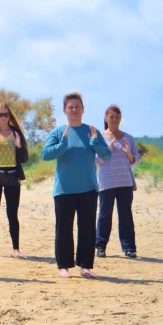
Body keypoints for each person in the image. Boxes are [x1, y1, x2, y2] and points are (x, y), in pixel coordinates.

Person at [42, 92, 111, 279]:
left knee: (87, 228)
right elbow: (45, 154)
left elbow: (106, 155)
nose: (74, 110)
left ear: (83, 109)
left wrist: (95, 143)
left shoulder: (92, 130)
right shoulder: (58, 132)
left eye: (77, 106)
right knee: (63, 228)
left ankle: (85, 266)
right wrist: (61, 145)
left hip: (88, 188)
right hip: (64, 189)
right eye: (70, 107)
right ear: (65, 111)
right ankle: (63, 266)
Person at [0, 103, 29, 259]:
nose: (3, 117)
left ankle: (16, 249)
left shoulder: (16, 133)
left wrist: (19, 146)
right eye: (0, 114)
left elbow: (24, 158)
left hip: (12, 176)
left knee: (12, 214)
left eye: (6, 114)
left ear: (10, 116)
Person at [96, 104, 140, 258]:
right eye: (111, 117)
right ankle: (100, 246)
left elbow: (135, 160)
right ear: (106, 118)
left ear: (121, 119)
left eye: (117, 117)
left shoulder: (129, 138)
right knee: (104, 215)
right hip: (106, 182)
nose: (114, 120)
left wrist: (128, 152)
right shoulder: (99, 137)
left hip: (125, 182)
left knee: (125, 214)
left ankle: (129, 247)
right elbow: (98, 160)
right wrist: (108, 148)